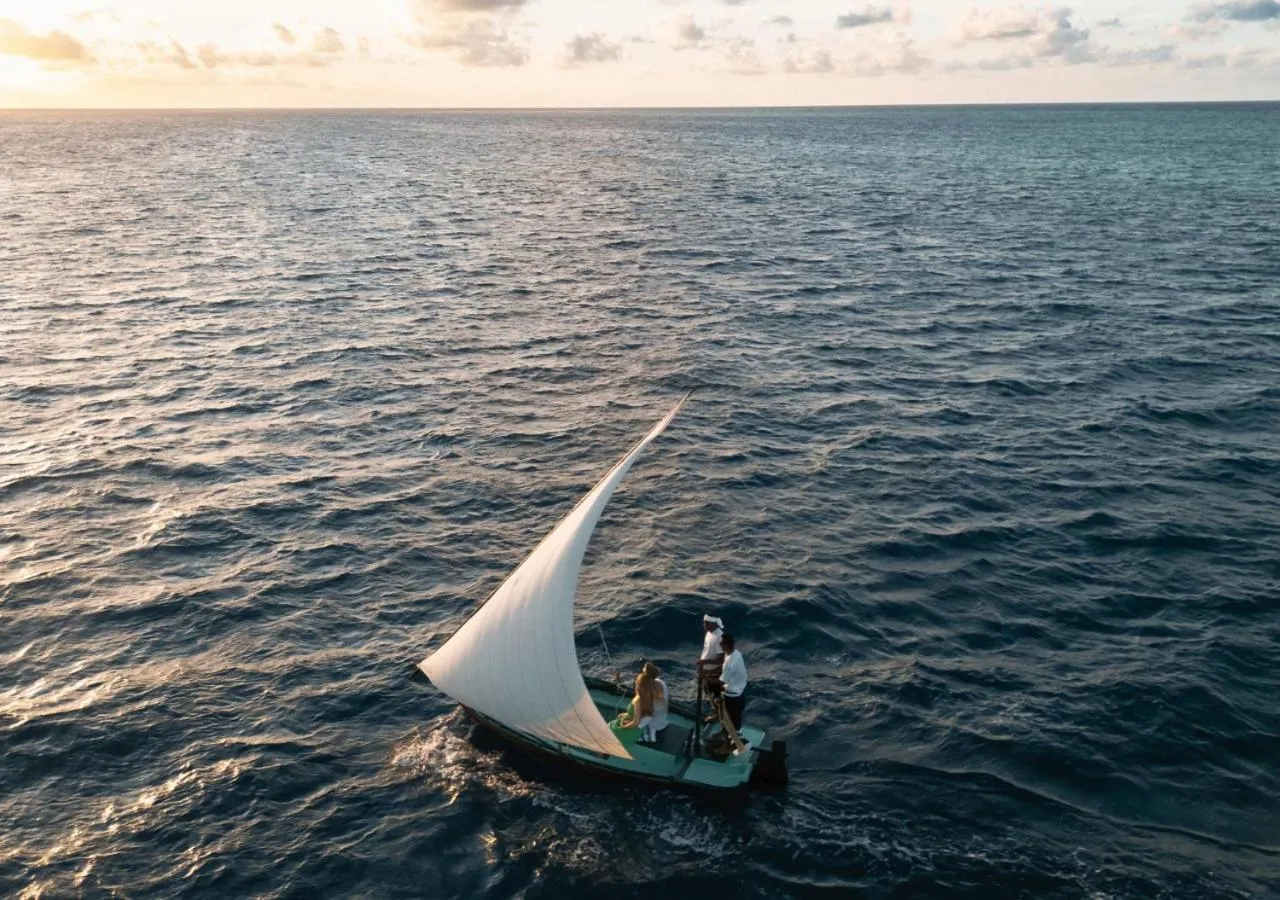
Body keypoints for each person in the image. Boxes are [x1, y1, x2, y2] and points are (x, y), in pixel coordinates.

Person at [610, 667, 656, 746]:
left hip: (630, 731)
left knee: (607, 729)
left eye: (637, 683)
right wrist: (624, 714)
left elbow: (635, 722)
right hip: (635, 729)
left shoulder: (638, 700)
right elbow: (639, 714)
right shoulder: (649, 697)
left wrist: (624, 726)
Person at [717, 633, 748, 731]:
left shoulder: (729, 664)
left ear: (726, 646)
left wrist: (705, 678)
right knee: (735, 719)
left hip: (732, 698)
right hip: (739, 694)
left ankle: (728, 741)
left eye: (721, 643)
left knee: (729, 722)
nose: (719, 645)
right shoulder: (736, 653)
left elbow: (721, 682)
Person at [641, 662, 669, 744]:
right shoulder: (661, 682)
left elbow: (647, 717)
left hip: (652, 731)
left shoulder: (651, 697)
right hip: (662, 726)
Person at [696, 614, 725, 685]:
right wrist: (702, 665)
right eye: (704, 622)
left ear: (714, 623)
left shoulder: (719, 637)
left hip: (713, 675)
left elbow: (721, 660)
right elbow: (706, 651)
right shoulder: (709, 633)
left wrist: (705, 662)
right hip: (704, 672)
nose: (704, 625)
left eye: (707, 623)